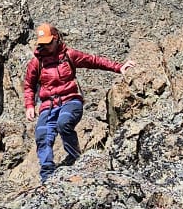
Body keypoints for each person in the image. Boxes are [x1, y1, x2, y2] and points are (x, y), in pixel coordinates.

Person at [19, 23, 128, 182]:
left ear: (56, 39)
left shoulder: (69, 55)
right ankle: (47, 177)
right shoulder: (36, 62)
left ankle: (76, 159)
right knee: (42, 135)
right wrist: (29, 105)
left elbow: (93, 61)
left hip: (71, 100)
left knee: (63, 123)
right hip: (48, 105)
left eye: (49, 42)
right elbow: (29, 85)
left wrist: (119, 67)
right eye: (42, 43)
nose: (46, 46)